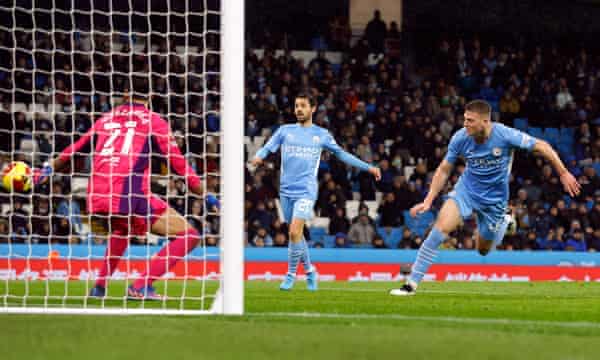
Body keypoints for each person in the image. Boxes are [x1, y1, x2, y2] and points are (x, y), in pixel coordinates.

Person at [34, 77, 218, 300]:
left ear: (125, 94)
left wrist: (47, 170)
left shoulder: (106, 118)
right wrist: (205, 194)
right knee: (189, 235)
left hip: (97, 193)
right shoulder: (154, 121)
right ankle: (141, 285)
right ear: (150, 97)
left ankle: (99, 287)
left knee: (122, 229)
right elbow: (178, 164)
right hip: (128, 193)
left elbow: (75, 148)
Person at [390, 100, 580, 296]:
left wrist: (563, 173)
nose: (465, 124)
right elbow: (444, 169)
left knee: (482, 250)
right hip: (466, 192)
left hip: (495, 201)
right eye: (465, 119)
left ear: (485, 121)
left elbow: (542, 146)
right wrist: (428, 200)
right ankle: (411, 284)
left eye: (470, 120)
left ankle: (505, 220)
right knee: (440, 229)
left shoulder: (505, 135)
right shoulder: (460, 138)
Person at [251, 93, 381, 291]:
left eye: (303, 106)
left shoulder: (321, 135)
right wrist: (258, 156)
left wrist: (368, 167)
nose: (299, 109)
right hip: (285, 191)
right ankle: (310, 271)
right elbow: (267, 148)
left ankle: (291, 275)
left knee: (294, 231)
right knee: (296, 234)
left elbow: (342, 154)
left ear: (313, 109)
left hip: (306, 190)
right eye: (296, 106)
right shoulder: (285, 131)